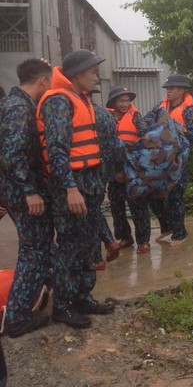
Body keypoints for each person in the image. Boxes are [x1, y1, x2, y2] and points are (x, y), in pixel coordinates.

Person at [37, 49, 115, 329]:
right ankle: (62, 306)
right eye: (93, 72)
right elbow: (57, 152)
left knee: (88, 243)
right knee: (70, 246)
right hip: (71, 185)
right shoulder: (59, 101)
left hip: (89, 182)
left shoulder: (81, 99)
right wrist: (70, 189)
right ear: (77, 73)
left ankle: (82, 296)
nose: (96, 76)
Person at [0, 58, 53, 337]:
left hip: (14, 189)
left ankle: (43, 287)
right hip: (22, 191)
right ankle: (18, 317)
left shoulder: (12, 104)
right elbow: (13, 155)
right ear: (43, 81)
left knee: (40, 243)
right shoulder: (20, 109)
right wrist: (30, 191)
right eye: (51, 80)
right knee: (32, 250)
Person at [146, 74, 193, 247]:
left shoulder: (189, 111)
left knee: (175, 196)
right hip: (161, 159)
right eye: (167, 88)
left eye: (172, 88)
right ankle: (167, 227)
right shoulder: (160, 107)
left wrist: (181, 129)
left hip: (178, 160)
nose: (168, 91)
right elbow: (146, 121)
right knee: (154, 195)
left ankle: (180, 233)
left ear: (182, 91)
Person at [106, 86, 153, 254]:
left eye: (127, 101)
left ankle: (143, 240)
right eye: (121, 101)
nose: (125, 104)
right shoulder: (107, 118)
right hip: (113, 170)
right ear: (113, 102)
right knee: (116, 206)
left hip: (133, 170)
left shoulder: (136, 117)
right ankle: (125, 237)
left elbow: (147, 139)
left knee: (138, 205)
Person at [90, 89, 121, 270]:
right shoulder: (105, 115)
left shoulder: (76, 115)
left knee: (89, 214)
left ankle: (96, 257)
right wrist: (117, 169)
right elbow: (116, 146)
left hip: (85, 174)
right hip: (104, 173)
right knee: (94, 209)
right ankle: (108, 242)